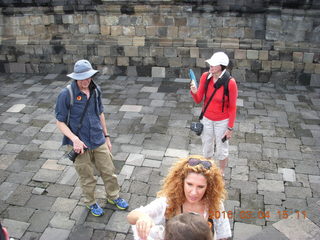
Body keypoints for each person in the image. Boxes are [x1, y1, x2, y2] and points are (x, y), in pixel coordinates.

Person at [55, 59, 128, 216]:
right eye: (82, 78)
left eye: (88, 77)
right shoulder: (66, 94)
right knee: (87, 177)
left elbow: (100, 113)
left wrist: (106, 137)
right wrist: (74, 139)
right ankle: (91, 202)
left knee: (109, 171)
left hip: (97, 138)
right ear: (75, 77)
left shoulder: (96, 90)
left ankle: (113, 196)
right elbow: (60, 122)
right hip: (79, 144)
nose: (86, 81)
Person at [127, 155, 231, 240]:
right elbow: (131, 216)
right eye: (190, 184)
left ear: (209, 187)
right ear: (181, 182)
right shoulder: (169, 202)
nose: (194, 193)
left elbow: (223, 234)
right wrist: (143, 217)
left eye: (200, 187)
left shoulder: (215, 205)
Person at [190, 51, 238, 175]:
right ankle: (207, 169)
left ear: (221, 66)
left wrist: (230, 128)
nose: (210, 66)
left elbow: (232, 107)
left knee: (222, 149)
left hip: (222, 121)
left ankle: (221, 172)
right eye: (210, 64)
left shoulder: (230, 83)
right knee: (207, 147)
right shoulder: (205, 76)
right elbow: (198, 99)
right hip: (206, 119)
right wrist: (194, 91)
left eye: (214, 64)